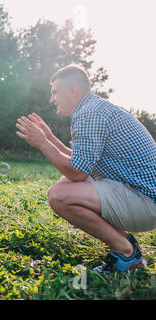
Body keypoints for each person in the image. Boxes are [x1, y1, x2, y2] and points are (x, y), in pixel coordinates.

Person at [15, 64, 156, 273]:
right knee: (66, 185)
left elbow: (77, 172)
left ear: (72, 90)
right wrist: (50, 137)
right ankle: (126, 243)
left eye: (55, 92)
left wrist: (42, 143)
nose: (52, 99)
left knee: (59, 195)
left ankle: (127, 255)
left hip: (145, 202)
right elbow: (80, 161)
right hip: (142, 197)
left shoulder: (89, 113)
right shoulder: (94, 108)